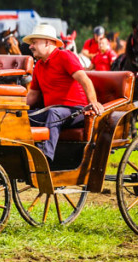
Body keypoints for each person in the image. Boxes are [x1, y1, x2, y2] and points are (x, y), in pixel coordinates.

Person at [23, 23, 104, 162]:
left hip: (77, 111)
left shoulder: (65, 56)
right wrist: (14, 108)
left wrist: (93, 102)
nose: (30, 46)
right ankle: (21, 155)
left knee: (53, 113)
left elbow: (85, 79)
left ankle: (44, 160)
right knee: (19, 117)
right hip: (53, 111)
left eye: (34, 42)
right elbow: (32, 95)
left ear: (47, 42)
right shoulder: (39, 67)